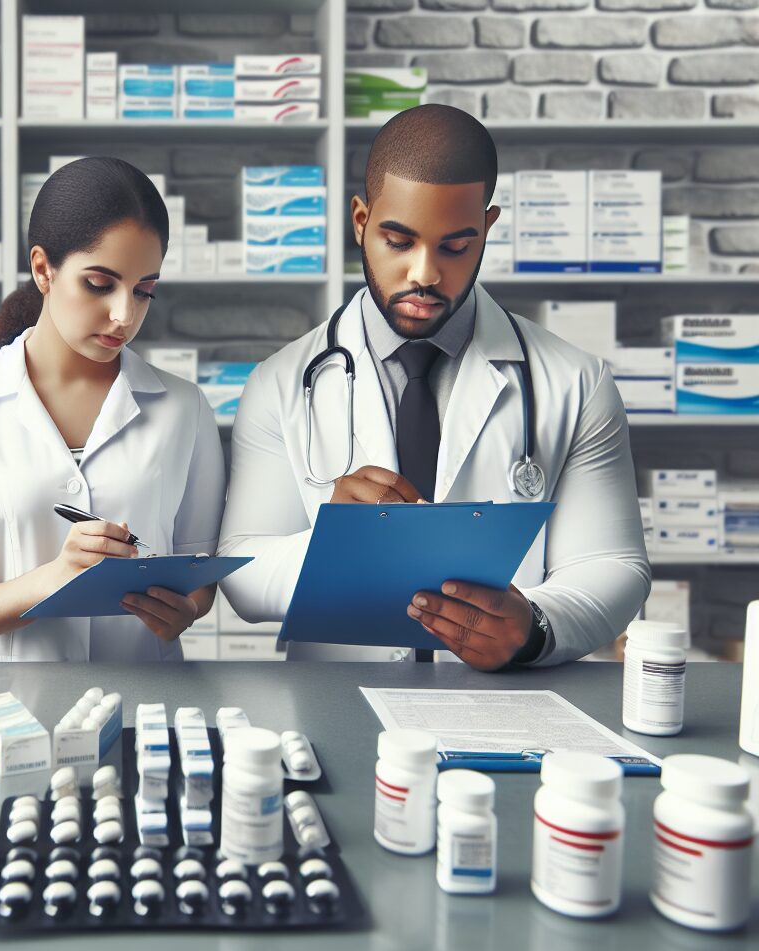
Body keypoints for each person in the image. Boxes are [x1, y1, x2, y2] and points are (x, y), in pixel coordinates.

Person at [218, 105, 650, 669]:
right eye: (399, 241)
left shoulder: (574, 382)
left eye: (455, 246)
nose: (425, 273)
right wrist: (334, 542)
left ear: (488, 229)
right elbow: (241, 573)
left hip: (509, 707)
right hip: (338, 700)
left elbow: (615, 564)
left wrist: (534, 628)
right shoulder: (281, 382)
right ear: (360, 222)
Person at [0, 157, 225, 661]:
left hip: (146, 703)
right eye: (99, 284)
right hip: (14, 709)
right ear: (44, 269)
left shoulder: (184, 409)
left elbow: (198, 575)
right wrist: (57, 576)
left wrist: (185, 611)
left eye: (144, 290)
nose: (124, 314)